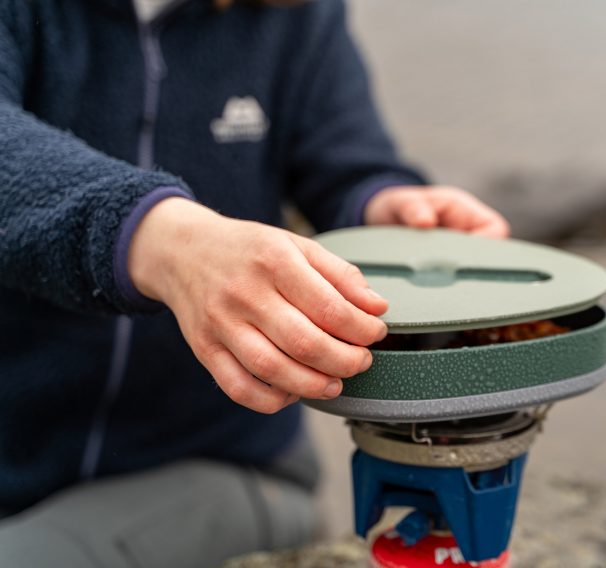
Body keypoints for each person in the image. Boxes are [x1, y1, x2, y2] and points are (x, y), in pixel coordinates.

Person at [0, 0, 509, 566]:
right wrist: (160, 238)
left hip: (221, 460)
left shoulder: (297, 14)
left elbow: (345, 165)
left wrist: (388, 210)